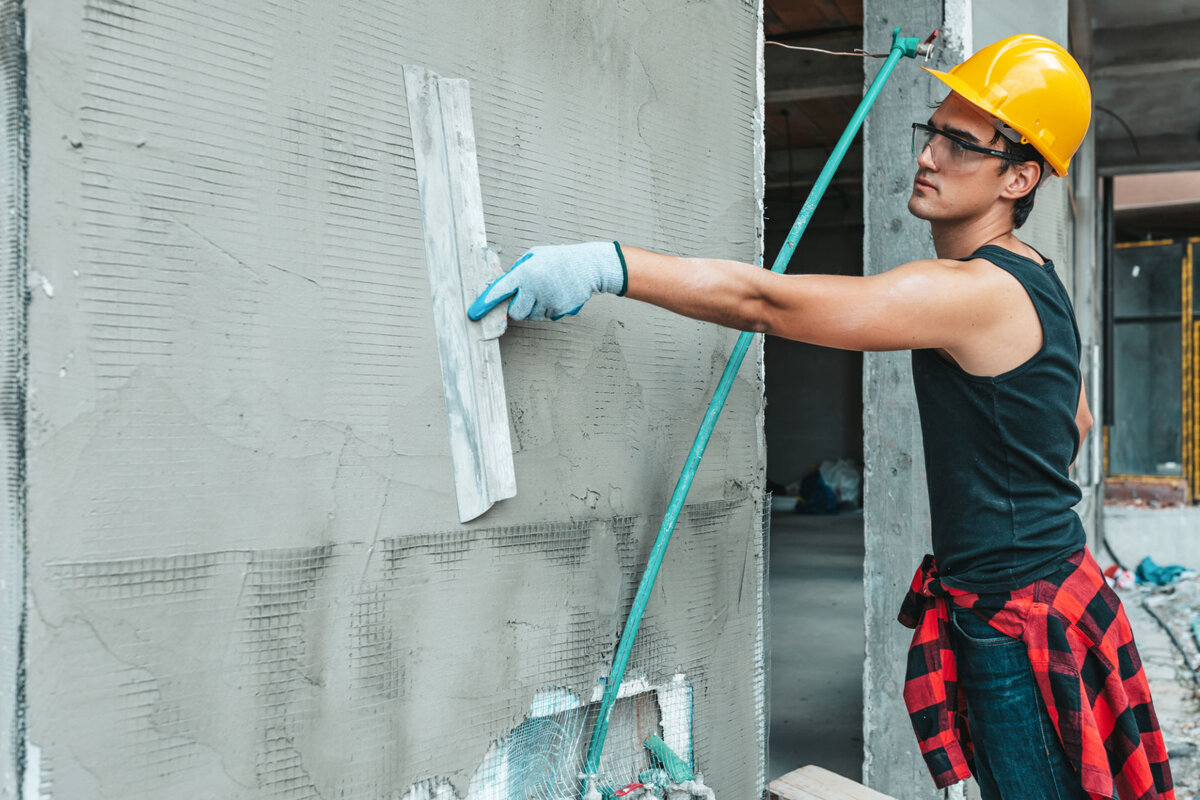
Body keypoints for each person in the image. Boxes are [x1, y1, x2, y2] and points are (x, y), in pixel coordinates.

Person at [468, 35, 1173, 800]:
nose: (930, 155)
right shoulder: (1036, 279)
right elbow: (1073, 419)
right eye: (930, 131)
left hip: (1019, 624)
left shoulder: (975, 291)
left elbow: (771, 302)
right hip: (1051, 589)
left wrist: (606, 265)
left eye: (960, 144)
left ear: (1020, 175)